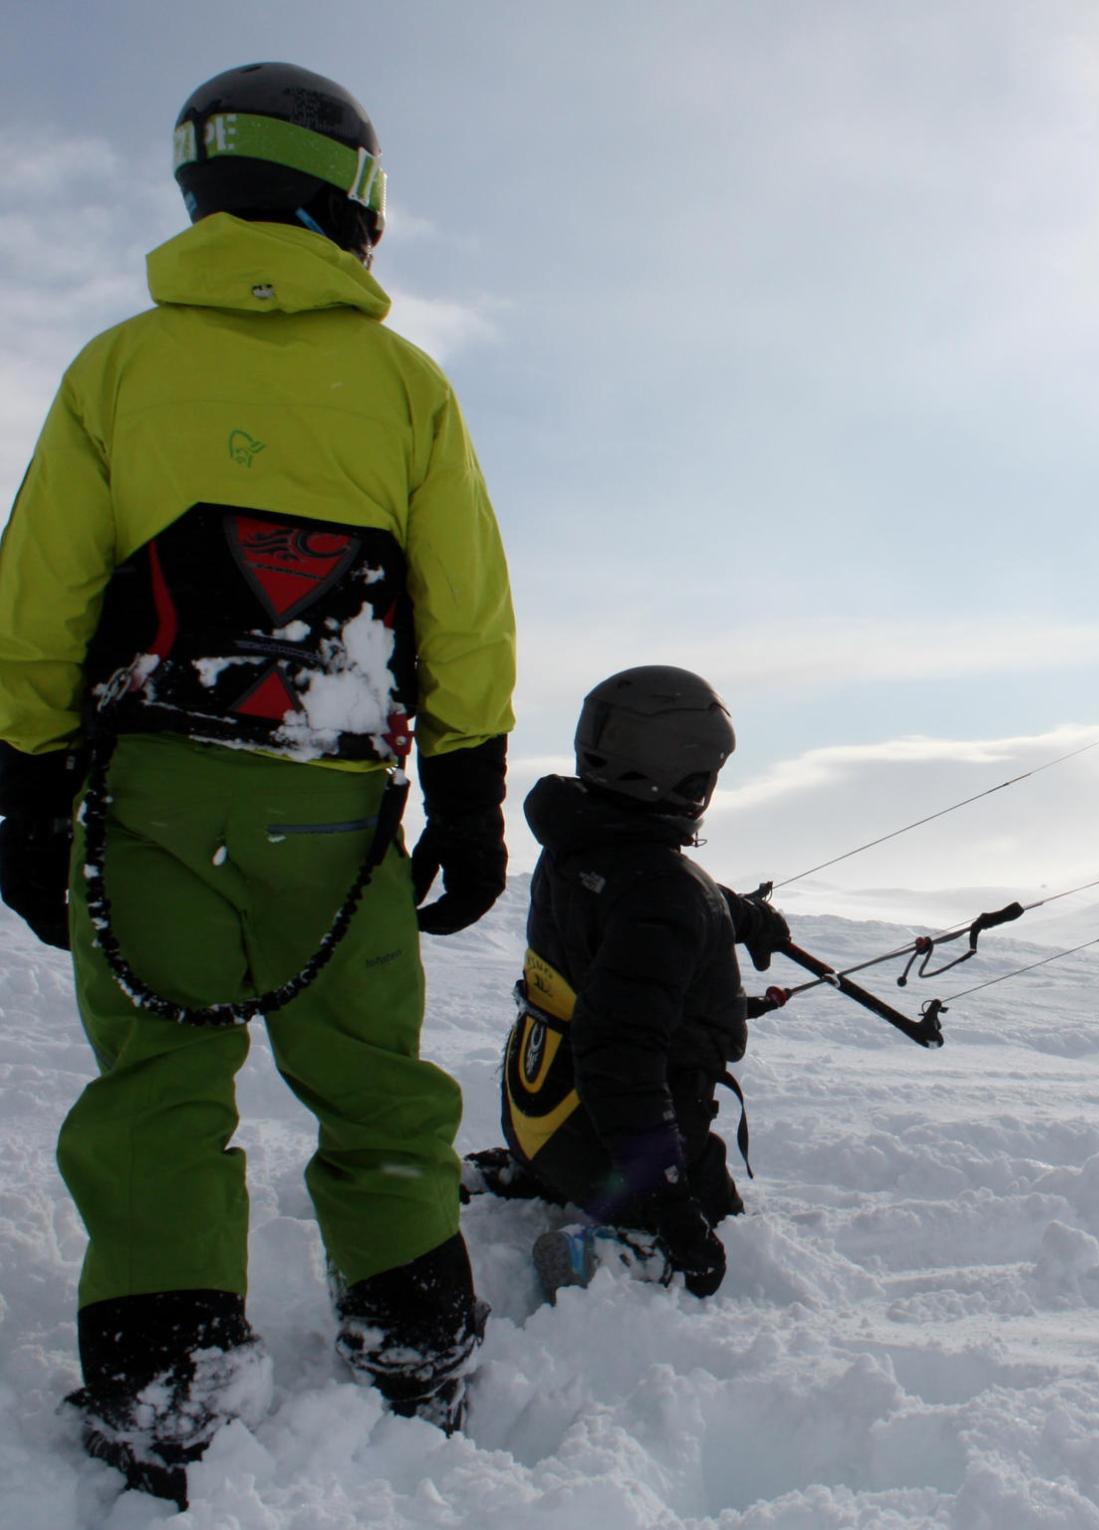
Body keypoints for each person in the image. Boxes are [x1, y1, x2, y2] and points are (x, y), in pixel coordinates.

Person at [0, 63, 516, 1505]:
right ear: (351, 198)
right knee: (373, 1085)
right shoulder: (406, 386)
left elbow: (38, 594)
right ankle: (415, 1342)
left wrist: (26, 782)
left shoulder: (119, 367)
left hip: (151, 792)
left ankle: (164, 1376)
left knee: (160, 1080)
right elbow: (462, 606)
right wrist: (469, 787)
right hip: (335, 805)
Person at [470, 666, 785, 1300]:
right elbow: (621, 1062)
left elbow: (642, 889)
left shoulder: (575, 837)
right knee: (722, 1239)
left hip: (539, 1113)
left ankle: (542, 1179)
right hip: (608, 1136)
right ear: (685, 774)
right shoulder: (664, 895)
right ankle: (620, 1259)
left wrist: (744, 919)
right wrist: (673, 1208)